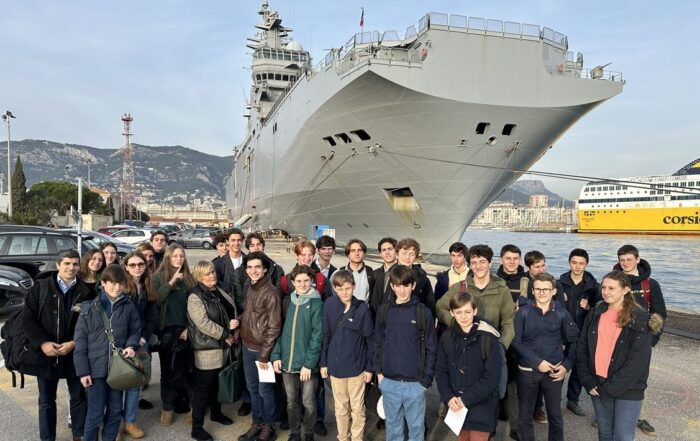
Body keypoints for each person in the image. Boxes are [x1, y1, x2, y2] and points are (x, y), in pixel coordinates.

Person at [576, 271, 662, 441]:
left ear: (625, 289)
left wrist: (608, 389)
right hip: (597, 383)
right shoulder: (595, 312)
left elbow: (637, 363)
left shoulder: (640, 318)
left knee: (623, 436)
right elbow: (582, 348)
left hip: (628, 388)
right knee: (604, 433)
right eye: (603, 287)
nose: (605, 292)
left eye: (611, 288)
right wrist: (588, 380)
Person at [22, 249, 94, 441]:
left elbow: (92, 325)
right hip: (47, 353)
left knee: (78, 397)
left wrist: (74, 343)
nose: (71, 267)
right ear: (58, 265)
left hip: (75, 353)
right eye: (67, 263)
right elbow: (27, 319)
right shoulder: (41, 287)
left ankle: (79, 435)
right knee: (46, 401)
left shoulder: (87, 291)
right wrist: (42, 343)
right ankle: (47, 438)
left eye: (75, 264)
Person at [74, 264, 141, 441]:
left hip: (118, 370)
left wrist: (131, 345)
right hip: (96, 371)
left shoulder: (128, 306)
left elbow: (135, 330)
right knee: (95, 413)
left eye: (120, 283)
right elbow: (80, 343)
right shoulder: (89, 308)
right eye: (112, 283)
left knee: (115, 411)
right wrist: (83, 372)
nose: (116, 287)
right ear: (103, 283)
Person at [373, 265, 437, 441]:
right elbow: (377, 342)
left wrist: (425, 381)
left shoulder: (423, 312)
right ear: (392, 286)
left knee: (416, 430)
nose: (402, 290)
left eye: (406, 285)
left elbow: (432, 348)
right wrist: (379, 374)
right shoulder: (384, 311)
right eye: (398, 285)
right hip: (389, 381)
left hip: (415, 384)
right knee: (393, 429)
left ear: (413, 285)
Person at [512, 273, 579, 441]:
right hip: (527, 371)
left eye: (546, 289)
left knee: (555, 415)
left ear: (553, 291)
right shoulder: (523, 313)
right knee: (525, 415)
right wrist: (536, 362)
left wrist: (566, 365)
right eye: (538, 289)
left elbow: (575, 340)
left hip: (554, 372)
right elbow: (516, 342)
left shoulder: (561, 313)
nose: (541, 293)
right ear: (532, 291)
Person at [613, 245, 667, 436]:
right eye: (622, 260)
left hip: (641, 340)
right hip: (616, 337)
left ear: (637, 259)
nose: (625, 263)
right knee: (613, 373)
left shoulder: (651, 285)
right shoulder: (613, 280)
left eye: (629, 259)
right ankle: (612, 412)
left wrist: (652, 340)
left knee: (640, 378)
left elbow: (660, 313)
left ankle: (639, 416)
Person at [435, 291, 503, 441]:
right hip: (457, 407)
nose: (463, 317)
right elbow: (441, 372)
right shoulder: (447, 337)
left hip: (482, 408)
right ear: (452, 313)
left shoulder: (488, 338)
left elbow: (492, 377)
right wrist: (448, 397)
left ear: (475, 311)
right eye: (458, 312)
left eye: (467, 312)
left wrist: (465, 399)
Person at [187, 261, 239, 441]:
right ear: (199, 277)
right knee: (203, 389)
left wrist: (234, 325)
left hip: (225, 346)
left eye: (213, 272)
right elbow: (203, 323)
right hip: (208, 349)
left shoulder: (220, 289)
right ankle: (197, 428)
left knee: (217, 384)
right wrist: (226, 334)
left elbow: (229, 311)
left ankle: (216, 413)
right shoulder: (195, 296)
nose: (212, 275)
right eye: (207, 273)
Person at [272, 265, 324, 441]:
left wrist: (309, 364)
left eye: (306, 280)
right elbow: (282, 331)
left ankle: (308, 433)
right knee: (291, 401)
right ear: (293, 282)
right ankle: (294, 433)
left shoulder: (317, 303)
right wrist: (276, 355)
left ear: (312, 281)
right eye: (299, 281)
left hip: (307, 365)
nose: (302, 284)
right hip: (288, 362)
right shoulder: (288, 301)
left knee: (308, 401)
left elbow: (317, 336)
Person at [320, 270, 374, 441]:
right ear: (335, 288)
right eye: (340, 288)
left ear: (354, 287)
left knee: (357, 408)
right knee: (341, 407)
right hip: (335, 368)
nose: (344, 292)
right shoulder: (329, 305)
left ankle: (357, 438)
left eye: (347, 288)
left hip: (357, 368)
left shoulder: (362, 309)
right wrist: (323, 363)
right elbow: (326, 335)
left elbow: (370, 340)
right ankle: (343, 437)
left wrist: (369, 368)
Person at [436, 244, 516, 350]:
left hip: (489, 346)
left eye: (482, 262)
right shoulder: (459, 287)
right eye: (474, 263)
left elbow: (508, 322)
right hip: (463, 346)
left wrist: (501, 346)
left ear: (490, 263)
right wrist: (455, 322)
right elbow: (440, 307)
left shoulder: (502, 290)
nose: (478, 267)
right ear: (470, 265)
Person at [238, 252, 282, 441]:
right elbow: (251, 314)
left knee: (265, 390)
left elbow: (274, 327)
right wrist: (239, 321)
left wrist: (264, 355)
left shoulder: (271, 292)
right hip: (247, 347)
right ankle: (257, 422)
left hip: (263, 352)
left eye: (257, 267)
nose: (253, 270)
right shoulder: (250, 287)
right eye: (249, 267)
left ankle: (269, 427)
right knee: (253, 388)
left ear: (265, 269)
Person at [153, 244, 196, 425]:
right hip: (166, 331)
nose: (179, 259)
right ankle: (167, 408)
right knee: (167, 371)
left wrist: (189, 328)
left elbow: (195, 306)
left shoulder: (189, 278)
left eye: (181, 256)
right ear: (168, 257)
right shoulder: (157, 277)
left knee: (189, 370)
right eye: (175, 256)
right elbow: (156, 300)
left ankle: (192, 409)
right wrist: (171, 282)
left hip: (185, 330)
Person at [121, 251, 160, 438]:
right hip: (121, 341)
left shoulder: (148, 286)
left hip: (141, 342)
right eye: (133, 265)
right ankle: (114, 424)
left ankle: (130, 421)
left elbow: (152, 316)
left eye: (140, 264)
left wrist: (143, 337)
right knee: (118, 382)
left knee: (135, 383)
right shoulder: (120, 286)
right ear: (126, 267)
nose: (137, 268)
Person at [558, 248, 599, 417]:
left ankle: (572, 401)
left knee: (578, 368)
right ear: (569, 263)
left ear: (586, 264)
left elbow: (600, 310)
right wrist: (559, 302)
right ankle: (554, 400)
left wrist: (589, 308)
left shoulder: (594, 287)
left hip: (582, 333)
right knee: (559, 366)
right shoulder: (559, 284)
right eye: (574, 262)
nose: (577, 266)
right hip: (562, 333)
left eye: (581, 263)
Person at [495, 244, 529, 439]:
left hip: (519, 340)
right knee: (495, 380)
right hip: (497, 336)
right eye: (508, 258)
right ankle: (493, 418)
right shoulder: (493, 280)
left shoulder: (527, 282)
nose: (512, 262)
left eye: (515, 258)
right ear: (501, 259)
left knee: (515, 385)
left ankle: (515, 427)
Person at [371, 238, 435, 318]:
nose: (407, 257)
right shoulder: (384, 278)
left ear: (415, 256)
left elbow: (430, 306)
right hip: (389, 322)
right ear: (397, 254)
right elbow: (375, 306)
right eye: (404, 253)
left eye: (411, 254)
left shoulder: (423, 279)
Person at [368, 237, 397, 317]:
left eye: (390, 249)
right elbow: (373, 300)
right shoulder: (374, 274)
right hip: (379, 317)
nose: (387, 252)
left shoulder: (404, 272)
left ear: (396, 251)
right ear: (380, 254)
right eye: (384, 250)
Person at [221, 228, 246, 301]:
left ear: (242, 241)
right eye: (233, 240)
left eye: (239, 240)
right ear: (227, 241)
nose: (236, 243)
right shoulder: (219, 263)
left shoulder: (248, 262)